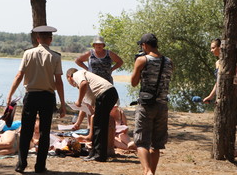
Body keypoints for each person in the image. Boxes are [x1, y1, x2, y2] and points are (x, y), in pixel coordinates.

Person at [6, 25, 66, 174]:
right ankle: (40, 166)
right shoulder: (56, 56)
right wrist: (63, 103)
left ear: (37, 39)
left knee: (26, 131)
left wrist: (10, 94)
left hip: (31, 96)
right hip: (47, 97)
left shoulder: (28, 54)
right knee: (45, 132)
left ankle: (21, 164)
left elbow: (19, 76)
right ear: (50, 40)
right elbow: (58, 81)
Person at [130, 33, 173, 175]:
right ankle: (152, 172)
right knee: (156, 144)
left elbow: (134, 82)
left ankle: (147, 171)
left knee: (141, 142)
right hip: (162, 105)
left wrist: (136, 66)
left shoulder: (142, 60)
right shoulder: (168, 61)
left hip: (146, 105)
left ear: (145, 45)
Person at [66, 67, 118, 162]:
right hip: (108, 94)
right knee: (99, 125)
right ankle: (94, 153)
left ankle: (99, 155)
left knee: (99, 126)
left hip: (106, 94)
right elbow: (87, 105)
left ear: (69, 77)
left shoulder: (77, 74)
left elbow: (83, 83)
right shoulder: (86, 86)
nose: (71, 84)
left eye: (69, 81)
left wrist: (78, 101)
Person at [73, 36, 123, 131]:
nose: (98, 45)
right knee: (89, 103)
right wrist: (87, 69)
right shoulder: (90, 53)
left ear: (103, 45)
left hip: (106, 82)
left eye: (100, 44)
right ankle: (89, 125)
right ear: (94, 45)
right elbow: (77, 60)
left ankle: (108, 125)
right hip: (93, 82)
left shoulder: (109, 53)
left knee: (106, 104)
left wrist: (112, 69)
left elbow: (120, 62)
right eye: (96, 44)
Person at [203, 38, 221, 103]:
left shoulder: (227, 62)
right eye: (211, 48)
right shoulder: (217, 63)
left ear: (220, 47)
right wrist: (210, 96)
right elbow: (218, 82)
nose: (211, 50)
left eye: (213, 48)